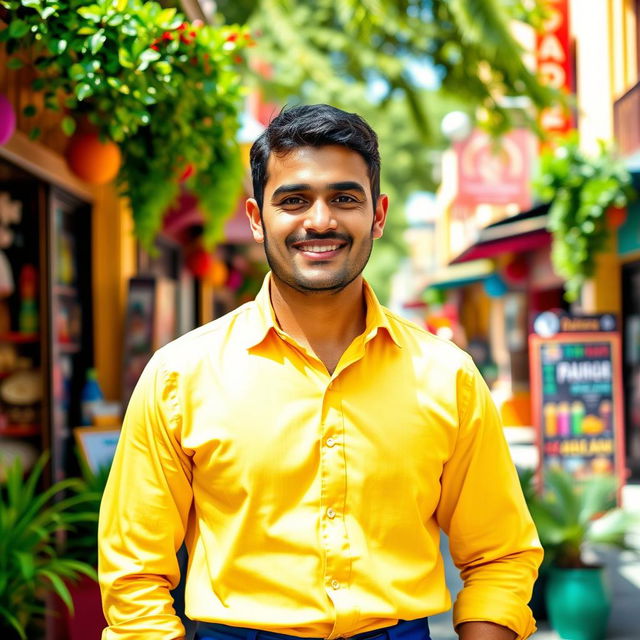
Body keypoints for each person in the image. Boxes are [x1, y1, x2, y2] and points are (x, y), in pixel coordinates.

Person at [98, 104, 542, 640]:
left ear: (377, 215)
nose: (320, 220)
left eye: (344, 198)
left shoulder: (448, 377)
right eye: (294, 200)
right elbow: (134, 575)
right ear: (257, 218)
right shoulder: (180, 375)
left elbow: (499, 555)